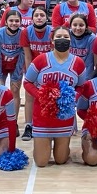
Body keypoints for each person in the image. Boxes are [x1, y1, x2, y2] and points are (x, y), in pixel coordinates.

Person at [23, 26, 86, 167]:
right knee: (41, 162)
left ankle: (60, 146)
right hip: (43, 115)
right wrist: (40, 96)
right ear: (51, 41)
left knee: (61, 160)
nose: (62, 40)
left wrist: (72, 97)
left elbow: (81, 86)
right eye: (58, 38)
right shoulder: (41, 60)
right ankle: (41, 144)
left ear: (71, 41)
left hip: (64, 116)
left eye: (66, 38)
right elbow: (27, 82)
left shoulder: (78, 63)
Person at [19, 7, 52, 141]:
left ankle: (48, 124)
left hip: (48, 70)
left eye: (42, 15)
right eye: (36, 15)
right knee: (30, 97)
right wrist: (29, 76)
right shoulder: (26, 32)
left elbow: (54, 55)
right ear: (32, 18)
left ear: (46, 17)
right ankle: (29, 125)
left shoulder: (52, 31)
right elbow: (27, 56)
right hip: (33, 69)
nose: (39, 17)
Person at [0, 10, 24, 136]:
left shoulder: (23, 34)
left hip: (16, 65)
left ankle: (13, 123)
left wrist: (16, 76)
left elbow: (22, 56)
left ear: (20, 22)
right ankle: (0, 121)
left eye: (17, 21)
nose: (14, 23)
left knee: (15, 91)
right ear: (5, 22)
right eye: (11, 21)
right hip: (1, 65)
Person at [69, 13, 96, 79]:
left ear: (86, 26)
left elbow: (89, 63)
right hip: (70, 71)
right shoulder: (67, 35)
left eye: (81, 25)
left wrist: (86, 80)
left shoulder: (91, 38)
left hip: (86, 72)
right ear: (70, 26)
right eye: (75, 25)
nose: (78, 28)